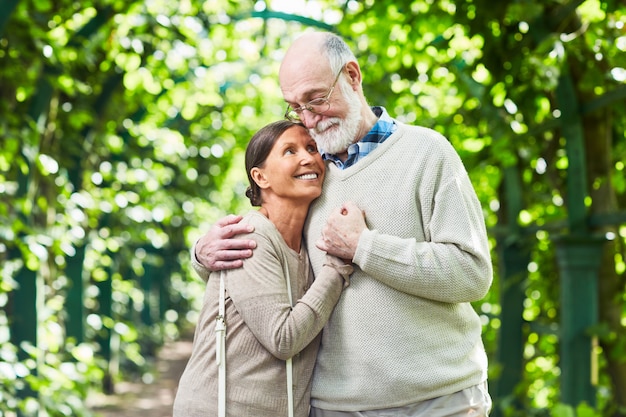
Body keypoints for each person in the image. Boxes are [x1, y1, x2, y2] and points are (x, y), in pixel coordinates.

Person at [192, 32, 494, 417]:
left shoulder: (427, 153)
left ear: (352, 75)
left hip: (441, 401)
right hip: (336, 407)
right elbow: (263, 261)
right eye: (296, 107)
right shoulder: (306, 179)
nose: (309, 119)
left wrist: (365, 247)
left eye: (316, 99)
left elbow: (472, 274)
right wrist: (204, 253)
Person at [173, 120, 352, 417]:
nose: (309, 157)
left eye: (311, 147)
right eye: (290, 151)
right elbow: (284, 339)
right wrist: (337, 268)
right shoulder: (251, 234)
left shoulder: (305, 245)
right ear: (261, 177)